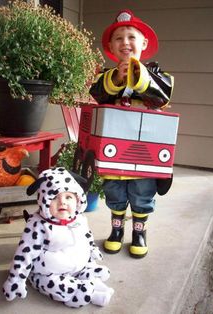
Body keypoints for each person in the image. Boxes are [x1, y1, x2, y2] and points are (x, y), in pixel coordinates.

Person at [89, 10, 174, 258]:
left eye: (131, 37)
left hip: (144, 147)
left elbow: (163, 96)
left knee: (142, 189)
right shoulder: (106, 77)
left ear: (144, 43)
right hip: (114, 149)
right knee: (114, 189)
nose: (125, 42)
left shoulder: (158, 75)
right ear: (111, 47)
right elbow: (98, 94)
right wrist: (117, 77)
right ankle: (116, 230)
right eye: (118, 38)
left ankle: (139, 232)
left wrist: (138, 77)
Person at [3, 167, 114, 308]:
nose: (62, 202)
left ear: (78, 199)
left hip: (78, 262)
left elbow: (87, 235)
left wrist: (92, 248)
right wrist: (16, 279)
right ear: (44, 201)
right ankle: (89, 293)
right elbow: (25, 253)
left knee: (89, 266)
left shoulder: (79, 218)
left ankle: (94, 282)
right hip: (49, 271)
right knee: (51, 284)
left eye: (68, 197)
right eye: (55, 197)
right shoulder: (38, 225)